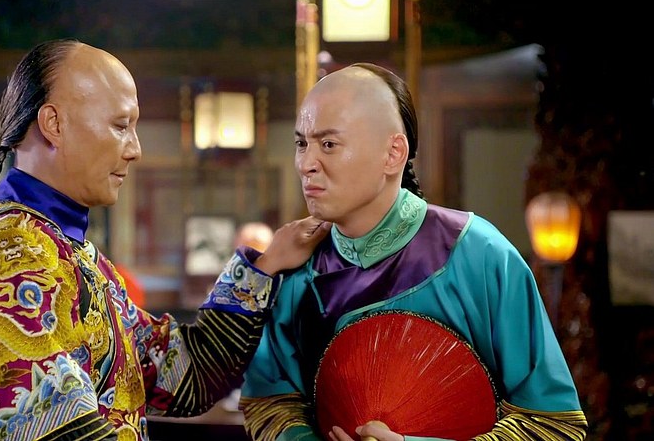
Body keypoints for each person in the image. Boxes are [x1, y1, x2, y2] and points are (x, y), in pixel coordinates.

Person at [0, 38, 331, 441]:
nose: (135, 149)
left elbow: (185, 374)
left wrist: (264, 266)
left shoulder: (66, 250)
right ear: (54, 124)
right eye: (121, 126)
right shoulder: (14, 254)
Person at [239, 63, 588, 441]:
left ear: (393, 153)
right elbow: (270, 404)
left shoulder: (478, 254)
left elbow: (553, 423)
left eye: (328, 145)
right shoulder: (296, 265)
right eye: (301, 144)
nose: (307, 164)